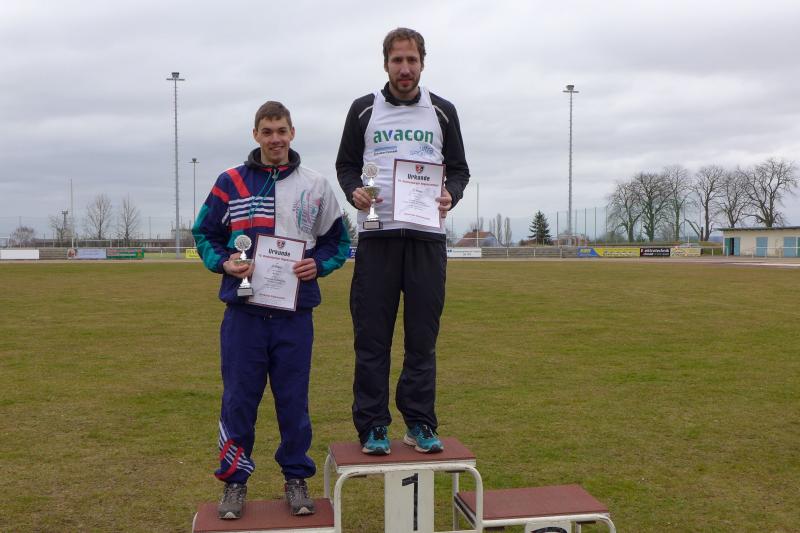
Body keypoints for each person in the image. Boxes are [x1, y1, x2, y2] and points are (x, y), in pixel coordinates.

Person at [193, 101, 350, 519]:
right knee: (238, 401)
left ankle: (296, 478)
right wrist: (225, 262)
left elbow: (339, 242)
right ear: (256, 135)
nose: (275, 139)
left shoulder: (316, 185)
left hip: (294, 316)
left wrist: (320, 265)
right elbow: (204, 232)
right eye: (267, 131)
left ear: (292, 133)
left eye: (281, 131)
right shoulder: (230, 182)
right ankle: (234, 482)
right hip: (244, 315)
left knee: (293, 402)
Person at [335, 28, 470, 455]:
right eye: (397, 60)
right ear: (386, 64)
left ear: (422, 63)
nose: (405, 68)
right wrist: (355, 190)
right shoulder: (363, 110)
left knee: (422, 339)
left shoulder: (442, 111)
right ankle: (374, 425)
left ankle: (419, 421)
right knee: (372, 339)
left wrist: (452, 194)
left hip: (427, 240)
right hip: (378, 238)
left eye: (412, 60)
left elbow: (460, 170)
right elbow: (346, 165)